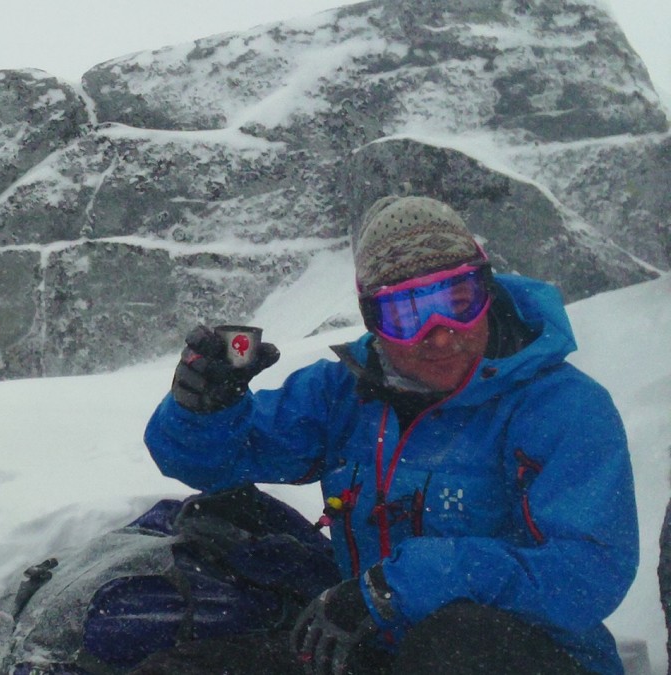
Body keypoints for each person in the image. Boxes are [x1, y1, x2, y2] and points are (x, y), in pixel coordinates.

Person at [137, 196, 636, 675]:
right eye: (407, 313)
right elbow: (211, 463)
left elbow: (587, 573)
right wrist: (203, 411)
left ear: (486, 291)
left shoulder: (563, 408)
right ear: (375, 322)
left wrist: (398, 585)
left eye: (457, 300)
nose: (440, 334)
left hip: (530, 659)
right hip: (372, 649)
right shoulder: (345, 393)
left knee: (455, 643)